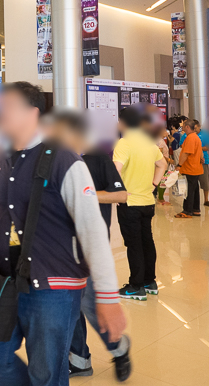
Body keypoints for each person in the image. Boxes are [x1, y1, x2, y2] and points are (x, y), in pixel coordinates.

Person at [0, 82, 125, 386]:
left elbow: (92, 229)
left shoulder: (65, 160)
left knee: (47, 372)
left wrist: (107, 298)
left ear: (33, 113)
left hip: (54, 284)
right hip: (4, 279)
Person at [46, 111, 132, 381]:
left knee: (91, 306)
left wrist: (84, 194)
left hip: (89, 246)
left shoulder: (97, 158)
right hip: (60, 249)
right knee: (68, 308)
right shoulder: (50, 162)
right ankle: (80, 359)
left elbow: (121, 194)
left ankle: (118, 347)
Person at [113, 107, 167, 300]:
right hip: (147, 202)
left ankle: (136, 286)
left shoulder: (124, 143)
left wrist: (119, 191)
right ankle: (149, 281)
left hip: (130, 203)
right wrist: (154, 184)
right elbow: (163, 164)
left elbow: (116, 169)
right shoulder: (148, 142)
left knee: (134, 245)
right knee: (147, 241)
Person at [175, 119, 204, 219]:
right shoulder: (196, 137)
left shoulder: (190, 138)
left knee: (189, 190)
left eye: (183, 125)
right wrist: (201, 158)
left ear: (187, 127)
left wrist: (179, 165)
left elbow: (186, 153)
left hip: (190, 168)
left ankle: (187, 211)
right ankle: (196, 209)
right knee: (194, 189)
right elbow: (200, 151)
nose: (182, 127)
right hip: (196, 168)